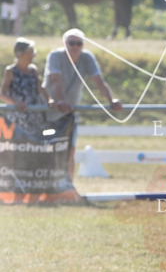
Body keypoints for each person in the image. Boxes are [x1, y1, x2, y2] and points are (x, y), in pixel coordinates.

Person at [44, 28, 123, 180]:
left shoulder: (87, 58)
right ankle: (47, 182)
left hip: (70, 114)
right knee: (48, 146)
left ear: (83, 45)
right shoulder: (55, 56)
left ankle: (68, 184)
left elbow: (99, 81)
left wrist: (111, 100)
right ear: (64, 43)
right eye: (71, 43)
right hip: (49, 113)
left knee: (70, 148)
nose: (75, 47)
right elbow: (56, 80)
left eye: (79, 43)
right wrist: (61, 100)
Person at [1, 37, 52, 134]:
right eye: (31, 53)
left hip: (35, 116)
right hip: (18, 117)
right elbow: (3, 94)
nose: (33, 56)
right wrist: (16, 103)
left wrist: (50, 100)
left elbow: (40, 88)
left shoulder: (33, 70)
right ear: (21, 54)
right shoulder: (10, 71)